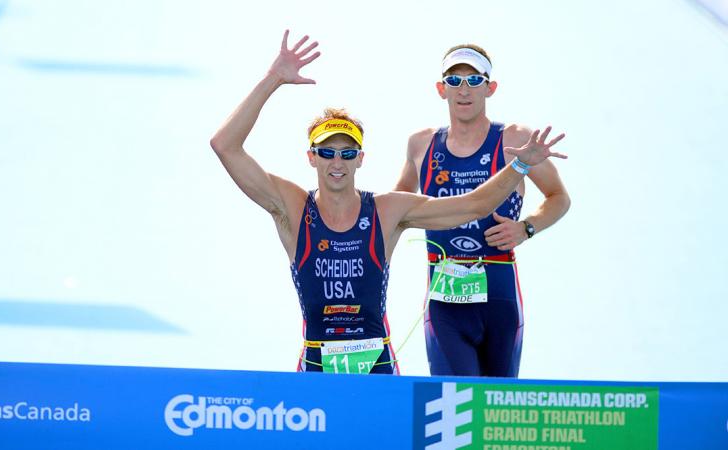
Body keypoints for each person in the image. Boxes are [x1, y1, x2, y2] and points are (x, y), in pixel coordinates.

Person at [210, 31, 566, 375]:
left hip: (380, 362)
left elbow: (474, 205)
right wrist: (273, 78)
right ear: (311, 157)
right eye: (327, 152)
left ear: (360, 159)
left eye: (347, 153)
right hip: (317, 363)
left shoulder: (386, 210)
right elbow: (224, 145)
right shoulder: (291, 205)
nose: (337, 162)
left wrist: (519, 170)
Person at [394, 45, 571, 377]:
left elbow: (559, 197)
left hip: (499, 296)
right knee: (455, 403)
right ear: (440, 88)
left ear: (490, 88)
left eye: (474, 80)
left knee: (496, 411)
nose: (464, 89)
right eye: (455, 79)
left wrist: (527, 227)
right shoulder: (421, 145)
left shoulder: (514, 139)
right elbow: (391, 211)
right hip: (445, 301)